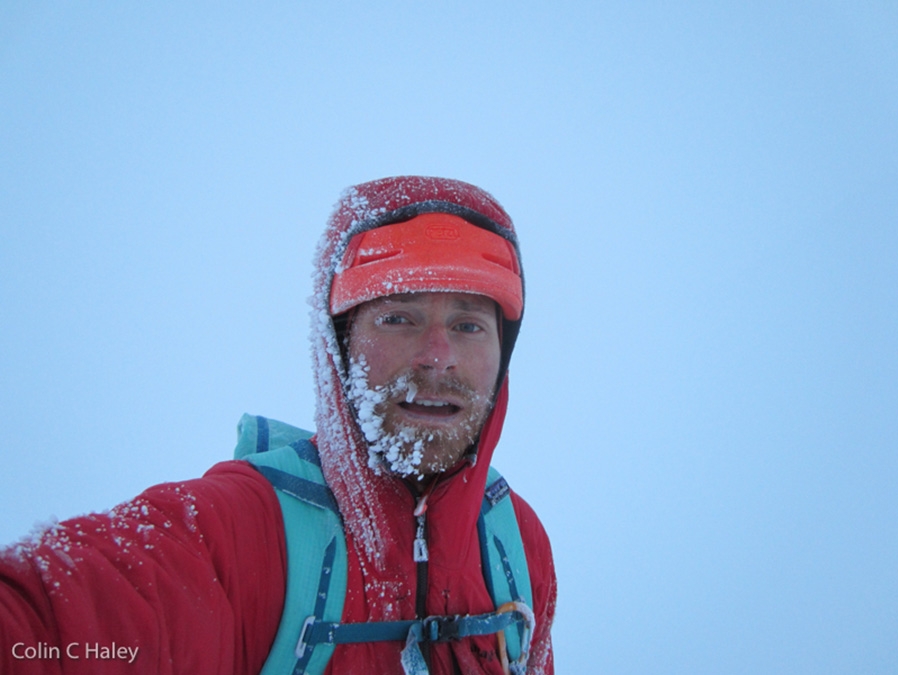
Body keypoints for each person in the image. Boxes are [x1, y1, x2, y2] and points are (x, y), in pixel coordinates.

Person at [1, 176, 556, 674]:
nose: (438, 355)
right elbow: (59, 615)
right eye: (397, 318)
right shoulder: (241, 532)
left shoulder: (514, 546)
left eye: (467, 325)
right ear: (339, 347)